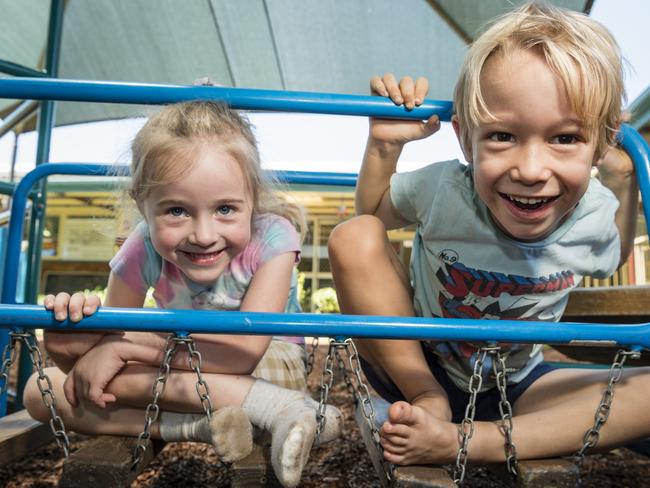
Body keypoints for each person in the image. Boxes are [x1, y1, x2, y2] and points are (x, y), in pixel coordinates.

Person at [328, 2, 649, 468]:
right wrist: (383, 146)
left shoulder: (597, 212)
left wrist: (625, 182)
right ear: (465, 139)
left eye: (564, 138)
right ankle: (430, 402)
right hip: (418, 364)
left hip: (517, 383)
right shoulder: (443, 188)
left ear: (602, 142)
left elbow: (613, 253)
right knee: (353, 235)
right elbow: (372, 212)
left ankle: (467, 441)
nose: (531, 170)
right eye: (502, 136)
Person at [24, 101, 341, 487]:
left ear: (253, 199)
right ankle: (200, 426)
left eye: (225, 208)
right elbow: (99, 354)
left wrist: (126, 347)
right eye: (176, 210)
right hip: (179, 377)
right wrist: (71, 338)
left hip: (268, 365)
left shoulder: (273, 236)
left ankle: (283, 408)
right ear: (143, 202)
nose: (204, 235)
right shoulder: (141, 246)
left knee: (102, 373)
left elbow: (242, 354)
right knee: (41, 391)